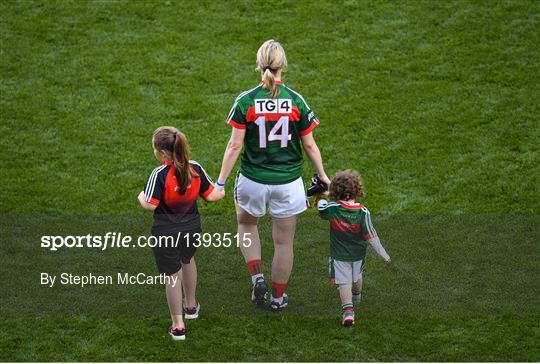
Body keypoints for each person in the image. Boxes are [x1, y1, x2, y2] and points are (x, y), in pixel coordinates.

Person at [215, 39, 331, 312]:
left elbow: (234, 146)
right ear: (283, 66)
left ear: (258, 65)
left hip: (252, 182)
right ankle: (278, 298)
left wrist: (220, 182)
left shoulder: (246, 101)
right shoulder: (296, 101)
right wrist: (322, 175)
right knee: (283, 242)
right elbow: (310, 145)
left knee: (246, 226)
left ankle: (257, 277)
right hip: (288, 184)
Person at [138, 126, 224, 340]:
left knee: (172, 276)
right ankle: (191, 306)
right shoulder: (194, 168)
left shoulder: (159, 173)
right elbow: (213, 196)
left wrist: (140, 196)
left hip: (166, 232)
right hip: (191, 228)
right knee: (188, 259)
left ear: (163, 153)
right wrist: (222, 186)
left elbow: (150, 204)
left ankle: (178, 325)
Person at [316, 170, 391, 326]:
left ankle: (348, 312)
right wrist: (384, 254)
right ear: (357, 190)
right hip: (358, 255)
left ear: (335, 192)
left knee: (343, 282)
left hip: (339, 255)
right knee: (356, 276)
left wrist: (321, 195)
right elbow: (372, 236)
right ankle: (356, 295)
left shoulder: (334, 208)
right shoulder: (363, 212)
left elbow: (321, 210)